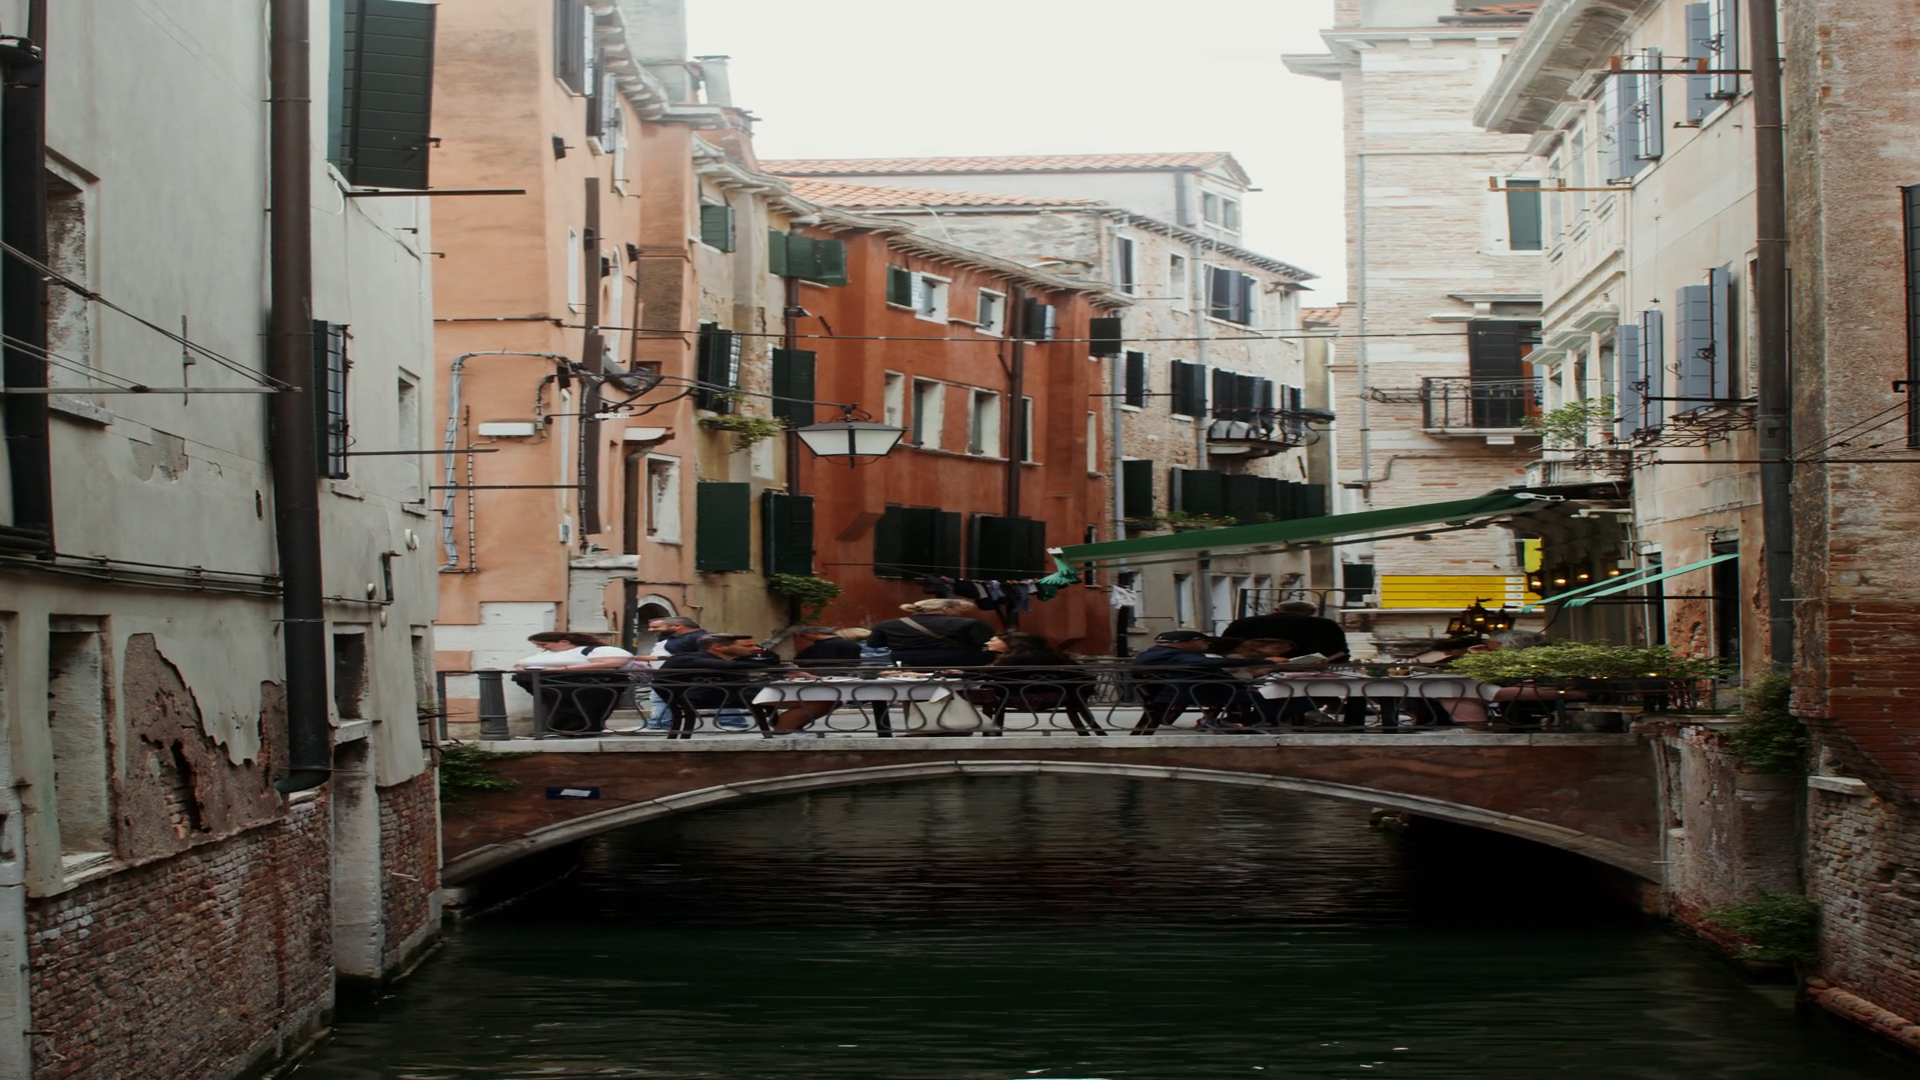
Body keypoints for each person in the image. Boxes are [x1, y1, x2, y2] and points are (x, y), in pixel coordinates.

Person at [1127, 630, 1289, 734]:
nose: (1208, 644)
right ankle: (1243, 722)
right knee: (1279, 696)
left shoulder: (1155, 653)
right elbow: (1207, 663)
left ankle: (1244, 721)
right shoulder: (1178, 655)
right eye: (1203, 640)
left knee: (1271, 694)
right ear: (1187, 643)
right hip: (1197, 693)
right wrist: (1265, 662)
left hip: (1177, 692)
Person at [966, 632, 1103, 736]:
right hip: (1059, 696)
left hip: (1018, 697)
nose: (989, 642)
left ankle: (987, 732)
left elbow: (988, 675)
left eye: (994, 640)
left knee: (986, 691)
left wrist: (963, 673)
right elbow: (1082, 675)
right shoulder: (1058, 656)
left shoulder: (1013, 659)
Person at [654, 634, 784, 734]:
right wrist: (766, 665)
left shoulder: (729, 658)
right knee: (774, 694)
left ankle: (781, 728)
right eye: (748, 646)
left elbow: (773, 660)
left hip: (723, 693)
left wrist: (761, 649)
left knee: (770, 693)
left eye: (755, 646)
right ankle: (783, 728)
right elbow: (729, 666)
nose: (755, 649)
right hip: (698, 698)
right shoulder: (687, 658)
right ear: (718, 647)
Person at [512, 631, 636, 735]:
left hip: (585, 682)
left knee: (577, 706)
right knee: (558, 705)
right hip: (548, 683)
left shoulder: (593, 650)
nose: (540, 647)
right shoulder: (545, 653)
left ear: (564, 642)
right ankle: (561, 728)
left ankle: (578, 728)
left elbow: (613, 662)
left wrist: (561, 669)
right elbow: (523, 663)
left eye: (543, 644)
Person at [867, 599, 995, 668]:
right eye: (958, 610)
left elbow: (874, 644)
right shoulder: (970, 623)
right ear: (947, 609)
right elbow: (990, 643)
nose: (959, 613)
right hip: (959, 663)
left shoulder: (886, 624)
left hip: (907, 663)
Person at [1221, 600, 1349, 662]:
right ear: (1311, 612)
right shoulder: (1325, 625)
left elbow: (1224, 647)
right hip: (1312, 673)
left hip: (1254, 670)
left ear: (1276, 610)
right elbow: (1340, 653)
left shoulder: (1243, 623)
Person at [641, 616, 711, 729]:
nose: (652, 630)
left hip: (683, 677)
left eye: (660, 626)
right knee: (660, 699)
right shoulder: (679, 638)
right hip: (669, 676)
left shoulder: (698, 637)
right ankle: (659, 724)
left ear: (678, 626)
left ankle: (659, 725)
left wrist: (657, 658)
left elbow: (702, 656)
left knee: (661, 699)